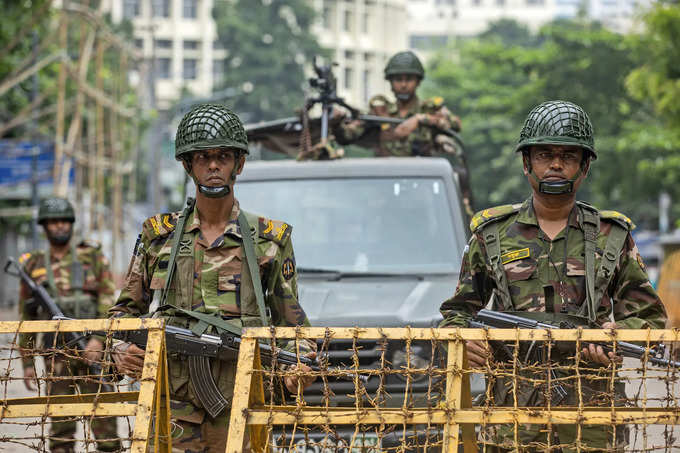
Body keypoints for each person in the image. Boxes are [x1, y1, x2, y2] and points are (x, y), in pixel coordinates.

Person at [439, 100, 667, 452]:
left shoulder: (612, 236)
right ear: (526, 162)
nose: (556, 165)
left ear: (585, 166)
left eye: (569, 156)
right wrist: (466, 339)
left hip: (592, 416)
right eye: (545, 154)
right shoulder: (491, 235)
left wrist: (614, 336)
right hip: (510, 415)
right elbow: (456, 312)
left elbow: (650, 318)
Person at [109, 104, 316, 453]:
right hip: (172, 406)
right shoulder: (158, 237)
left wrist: (298, 365)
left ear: (240, 163)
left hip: (246, 403)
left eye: (223, 156)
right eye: (203, 157)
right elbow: (122, 314)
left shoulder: (269, 239)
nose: (214, 165)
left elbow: (293, 325)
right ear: (188, 165)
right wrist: (119, 349)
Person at [18, 197, 121, 453]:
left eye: (64, 220)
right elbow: (27, 317)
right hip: (57, 358)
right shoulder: (34, 264)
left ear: (72, 224)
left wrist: (98, 339)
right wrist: (28, 363)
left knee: (105, 423)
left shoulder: (92, 257)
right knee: (61, 430)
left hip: (93, 353)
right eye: (53, 222)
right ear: (44, 226)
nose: (60, 226)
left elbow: (108, 303)